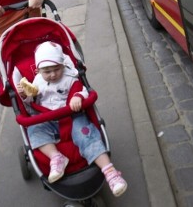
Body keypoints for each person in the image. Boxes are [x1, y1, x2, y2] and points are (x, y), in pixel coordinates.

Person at [16, 41, 128, 197]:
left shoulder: (69, 77)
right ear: (38, 70)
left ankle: (110, 172)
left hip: (72, 115)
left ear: (63, 65)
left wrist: (77, 96)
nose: (53, 74)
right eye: (47, 71)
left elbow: (81, 90)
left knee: (86, 135)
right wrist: (25, 95)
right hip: (47, 118)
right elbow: (32, 101)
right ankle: (56, 157)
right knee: (34, 130)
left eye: (57, 69)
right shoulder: (37, 82)